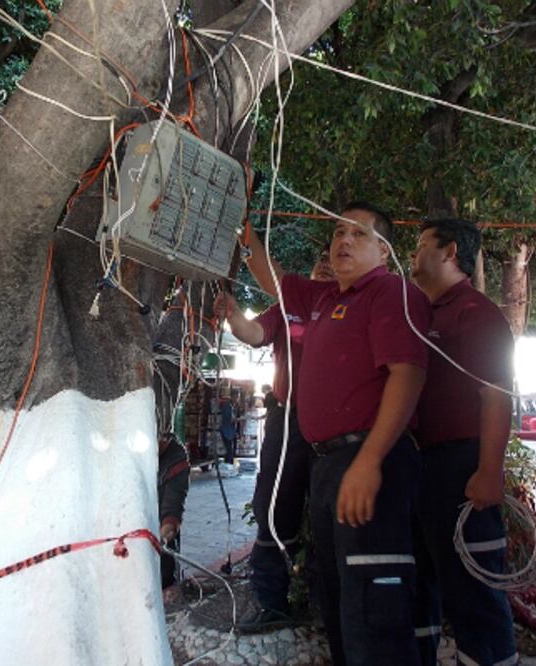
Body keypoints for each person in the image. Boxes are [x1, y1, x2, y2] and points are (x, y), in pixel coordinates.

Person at [217, 203, 431, 665]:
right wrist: (241, 219)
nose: (343, 241)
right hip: (327, 462)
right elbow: (271, 279)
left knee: (375, 603)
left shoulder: (391, 292)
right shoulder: (323, 298)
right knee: (339, 598)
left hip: (371, 458)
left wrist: (371, 460)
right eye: (337, 233)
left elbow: (407, 375)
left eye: (359, 234)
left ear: (384, 250)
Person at [409, 219, 518, 666]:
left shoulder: (477, 313)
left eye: (420, 245)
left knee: (474, 592)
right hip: (421, 468)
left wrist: (489, 470)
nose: (413, 254)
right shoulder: (420, 312)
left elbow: (497, 391)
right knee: (421, 583)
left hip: (462, 465)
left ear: (449, 251)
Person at [219, 249, 335, 633]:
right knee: (272, 508)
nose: (325, 262)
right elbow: (254, 333)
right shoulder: (290, 304)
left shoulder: (352, 304)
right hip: (288, 419)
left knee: (328, 514)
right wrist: (233, 315)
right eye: (320, 257)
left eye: (332, 260)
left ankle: (325, 605)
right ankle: (273, 603)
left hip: (335, 425)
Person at [157, 432, 190, 589]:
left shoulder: (176, 459)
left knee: (164, 577)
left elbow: (173, 509)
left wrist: (162, 539)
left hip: (159, 538)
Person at [218, 392, 238, 465]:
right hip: (226, 430)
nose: (237, 399)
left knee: (229, 449)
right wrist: (238, 419)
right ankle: (229, 464)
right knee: (229, 449)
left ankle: (228, 464)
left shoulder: (232, 406)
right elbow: (229, 419)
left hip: (230, 430)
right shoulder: (227, 406)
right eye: (236, 397)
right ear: (232, 397)